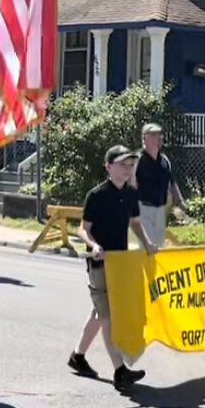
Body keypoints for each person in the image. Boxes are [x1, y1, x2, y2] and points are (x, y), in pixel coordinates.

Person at [67, 145, 158, 392]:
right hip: (99, 261)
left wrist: (147, 242)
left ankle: (77, 356)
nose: (127, 169)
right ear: (108, 167)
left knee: (100, 312)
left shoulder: (130, 194)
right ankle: (119, 370)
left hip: (120, 263)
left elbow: (135, 223)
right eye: (122, 164)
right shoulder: (96, 195)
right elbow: (83, 228)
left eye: (130, 165)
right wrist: (94, 245)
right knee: (108, 316)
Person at [133, 122, 189, 247]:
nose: (158, 138)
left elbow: (172, 182)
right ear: (144, 139)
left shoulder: (164, 161)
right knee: (147, 245)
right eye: (153, 135)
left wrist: (181, 202)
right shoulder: (138, 160)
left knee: (158, 245)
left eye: (159, 135)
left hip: (160, 209)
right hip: (143, 209)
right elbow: (131, 185)